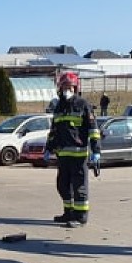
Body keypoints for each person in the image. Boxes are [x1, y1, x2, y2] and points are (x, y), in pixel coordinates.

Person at [44, 71, 101, 227]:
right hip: (63, 155)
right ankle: (68, 213)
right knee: (62, 185)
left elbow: (93, 129)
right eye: (63, 86)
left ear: (75, 88)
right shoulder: (59, 107)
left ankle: (81, 217)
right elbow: (54, 131)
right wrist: (48, 148)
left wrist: (96, 151)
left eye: (69, 87)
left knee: (79, 187)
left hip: (79, 155)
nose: (66, 90)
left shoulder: (83, 105)